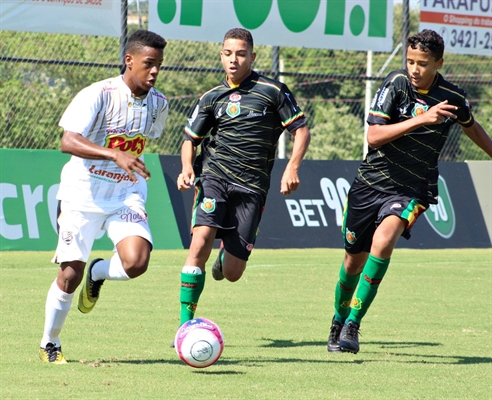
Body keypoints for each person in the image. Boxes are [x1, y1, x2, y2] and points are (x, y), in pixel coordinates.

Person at [327, 29, 492, 354]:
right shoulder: (396, 85)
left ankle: (353, 324)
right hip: (370, 184)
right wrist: (421, 120)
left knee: (385, 241)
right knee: (351, 263)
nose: (415, 69)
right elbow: (374, 137)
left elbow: (471, 127)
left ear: (439, 63)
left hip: (413, 189)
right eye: (411, 61)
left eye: (423, 63)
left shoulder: (453, 98)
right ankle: (337, 318)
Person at [39, 30, 169, 364]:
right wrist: (114, 155)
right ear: (129, 60)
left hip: (126, 192)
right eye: (148, 64)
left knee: (137, 262)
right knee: (69, 276)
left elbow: (138, 141)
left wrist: (122, 161)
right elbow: (68, 141)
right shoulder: (99, 93)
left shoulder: (159, 104)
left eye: (159, 66)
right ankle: (49, 343)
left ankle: (98, 273)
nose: (154, 72)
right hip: (82, 193)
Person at [175, 28, 310, 333]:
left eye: (240, 54)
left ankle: (226, 258)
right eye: (227, 53)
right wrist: (186, 167)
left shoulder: (273, 90)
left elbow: (300, 130)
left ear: (252, 56)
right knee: (199, 243)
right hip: (215, 177)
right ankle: (185, 325)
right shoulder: (211, 97)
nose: (233, 60)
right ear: (221, 55)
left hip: (252, 187)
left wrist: (292, 168)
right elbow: (190, 139)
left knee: (233, 273)